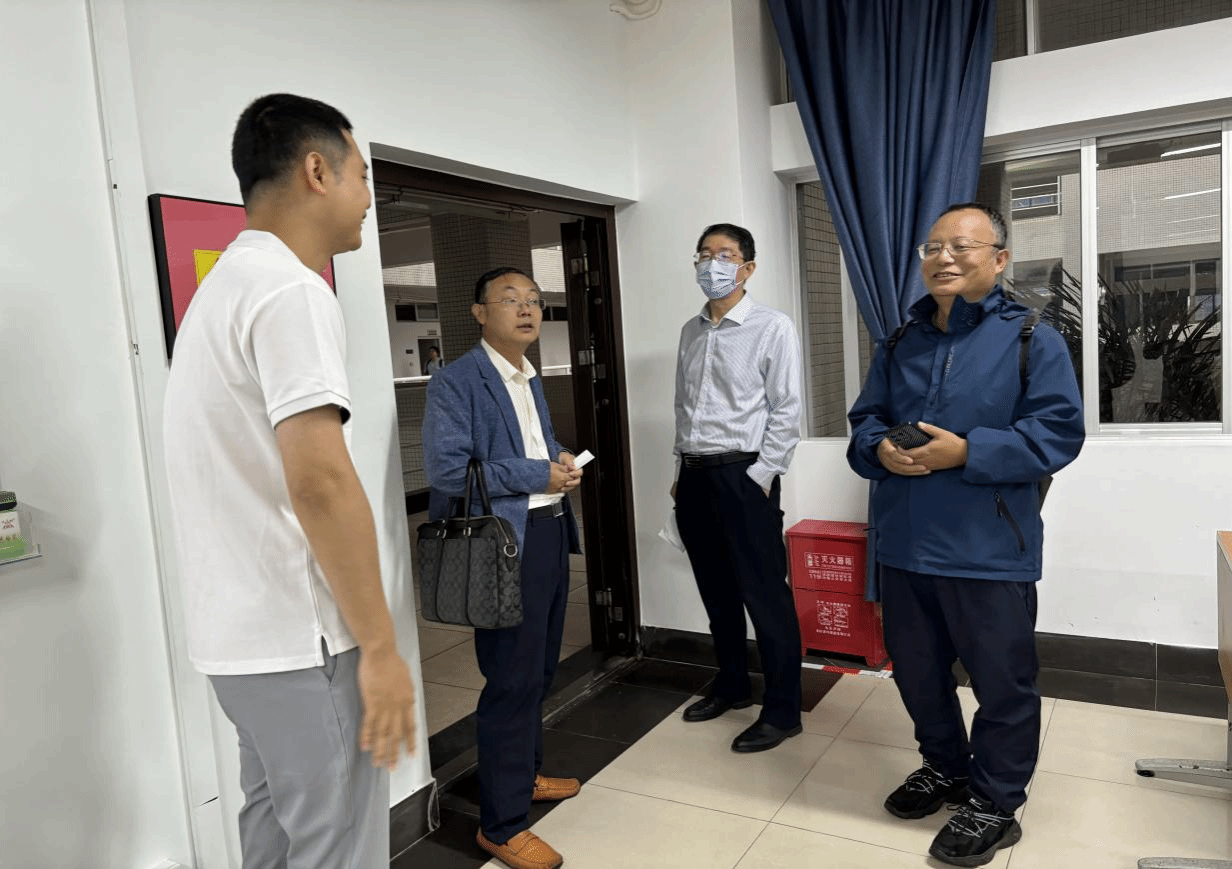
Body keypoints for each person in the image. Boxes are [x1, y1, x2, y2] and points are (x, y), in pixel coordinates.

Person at [162, 93, 416, 869]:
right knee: (337, 848)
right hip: (305, 644)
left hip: (239, 646)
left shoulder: (223, 290)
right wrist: (381, 647)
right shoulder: (292, 290)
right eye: (362, 175)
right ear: (317, 170)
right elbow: (321, 482)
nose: (369, 197)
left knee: (274, 838)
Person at [847, 203, 1084, 867]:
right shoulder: (900, 341)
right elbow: (866, 420)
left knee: (1002, 683)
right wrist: (877, 449)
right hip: (904, 544)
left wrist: (967, 452)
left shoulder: (1032, 338)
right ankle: (946, 766)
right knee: (918, 676)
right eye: (932, 247)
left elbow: (1057, 434)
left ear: (999, 260)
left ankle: (995, 801)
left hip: (988, 548)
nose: (943, 257)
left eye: (961, 246)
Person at [422, 267, 583, 869]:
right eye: (510, 300)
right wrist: (537, 473)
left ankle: (525, 775)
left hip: (547, 532)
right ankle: (501, 824)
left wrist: (557, 456)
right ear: (479, 312)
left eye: (534, 301)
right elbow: (448, 472)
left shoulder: (527, 376)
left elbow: (532, 444)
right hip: (502, 543)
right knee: (511, 679)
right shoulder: (456, 381)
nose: (526, 310)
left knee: (539, 670)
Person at [671, 222, 804, 753]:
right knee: (716, 590)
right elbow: (683, 407)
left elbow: (787, 409)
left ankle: (783, 710)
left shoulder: (772, 326)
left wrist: (762, 475)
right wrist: (679, 473)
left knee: (765, 595)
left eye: (724, 255)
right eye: (704, 254)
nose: (712, 264)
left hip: (744, 473)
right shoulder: (690, 330)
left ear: (747, 267)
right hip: (695, 474)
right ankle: (732, 685)